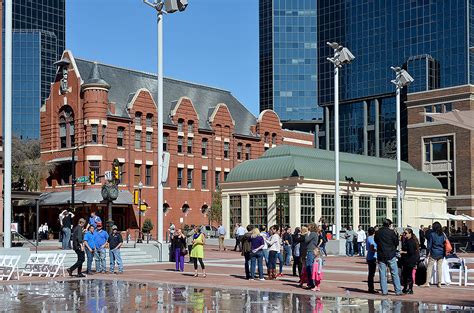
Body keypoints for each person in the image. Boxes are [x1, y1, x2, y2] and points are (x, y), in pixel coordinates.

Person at [374, 219, 402, 296]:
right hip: (391, 254)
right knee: (394, 273)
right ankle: (398, 290)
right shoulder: (391, 232)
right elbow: (396, 243)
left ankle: (384, 291)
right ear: (389, 225)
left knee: (382, 274)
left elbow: (376, 241)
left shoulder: (378, 232)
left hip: (381, 255)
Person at [422, 221, 445, 288]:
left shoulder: (432, 234)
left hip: (434, 252)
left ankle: (427, 282)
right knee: (439, 268)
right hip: (441, 252)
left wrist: (427, 254)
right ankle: (439, 282)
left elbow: (429, 245)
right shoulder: (442, 234)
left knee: (429, 267)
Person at [400, 228, 420, 294]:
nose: (404, 234)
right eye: (404, 233)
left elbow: (410, 252)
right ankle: (406, 288)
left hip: (409, 260)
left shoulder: (410, 242)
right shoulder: (408, 240)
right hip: (408, 260)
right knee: (406, 274)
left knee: (408, 275)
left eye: (406, 233)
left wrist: (402, 252)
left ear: (410, 234)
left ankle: (409, 289)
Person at [366, 227, 377, 294]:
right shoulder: (371, 238)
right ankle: (371, 288)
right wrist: (376, 250)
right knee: (371, 274)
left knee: (371, 273)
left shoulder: (369, 238)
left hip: (370, 257)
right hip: (372, 257)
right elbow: (372, 246)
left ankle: (371, 288)